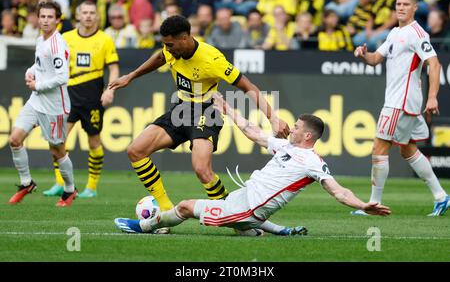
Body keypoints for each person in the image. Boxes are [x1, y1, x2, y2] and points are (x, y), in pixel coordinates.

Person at [108, 15, 290, 234]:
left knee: (202, 170)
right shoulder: (171, 50)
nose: (167, 49)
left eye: (170, 45)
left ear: (185, 38)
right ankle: (165, 211)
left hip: (207, 111)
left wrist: (273, 117)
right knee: (136, 151)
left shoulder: (212, 59)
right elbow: (159, 58)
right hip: (181, 109)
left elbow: (247, 86)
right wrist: (131, 76)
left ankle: (237, 221)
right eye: (165, 45)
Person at [114, 94, 391, 235]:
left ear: (308, 135)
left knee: (186, 206)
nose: (289, 129)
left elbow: (338, 191)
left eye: (295, 127)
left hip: (246, 208)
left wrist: (363, 205)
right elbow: (253, 131)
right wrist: (226, 108)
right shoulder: (287, 146)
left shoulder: (313, 162)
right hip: (243, 199)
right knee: (244, 223)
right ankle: (278, 230)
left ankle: (145, 227)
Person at [353, 0, 450, 216]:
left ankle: (373, 205)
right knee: (408, 149)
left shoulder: (417, 33)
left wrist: (433, 96)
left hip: (401, 102)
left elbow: (434, 65)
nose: (401, 7)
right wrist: (363, 55)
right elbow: (376, 59)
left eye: (406, 4)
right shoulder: (395, 33)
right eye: (398, 3)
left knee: (379, 147)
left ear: (415, 8)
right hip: (401, 101)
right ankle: (441, 196)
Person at [43, 1, 120, 198]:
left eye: (91, 13)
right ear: (78, 15)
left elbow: (113, 67)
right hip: (67, 97)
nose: (88, 16)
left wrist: (110, 90)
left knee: (94, 142)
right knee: (57, 140)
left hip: (93, 99)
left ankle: (91, 187)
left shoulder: (105, 40)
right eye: (84, 12)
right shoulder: (65, 38)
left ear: (97, 16)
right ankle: (61, 183)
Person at [8, 1, 77, 207]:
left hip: (55, 106)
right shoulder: (41, 39)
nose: (45, 20)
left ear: (57, 20)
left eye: (50, 17)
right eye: (42, 16)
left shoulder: (57, 44)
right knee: (15, 139)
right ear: (38, 18)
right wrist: (31, 71)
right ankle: (26, 183)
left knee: (57, 151)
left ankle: (70, 189)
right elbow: (40, 64)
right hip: (36, 102)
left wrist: (37, 84)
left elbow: (62, 77)